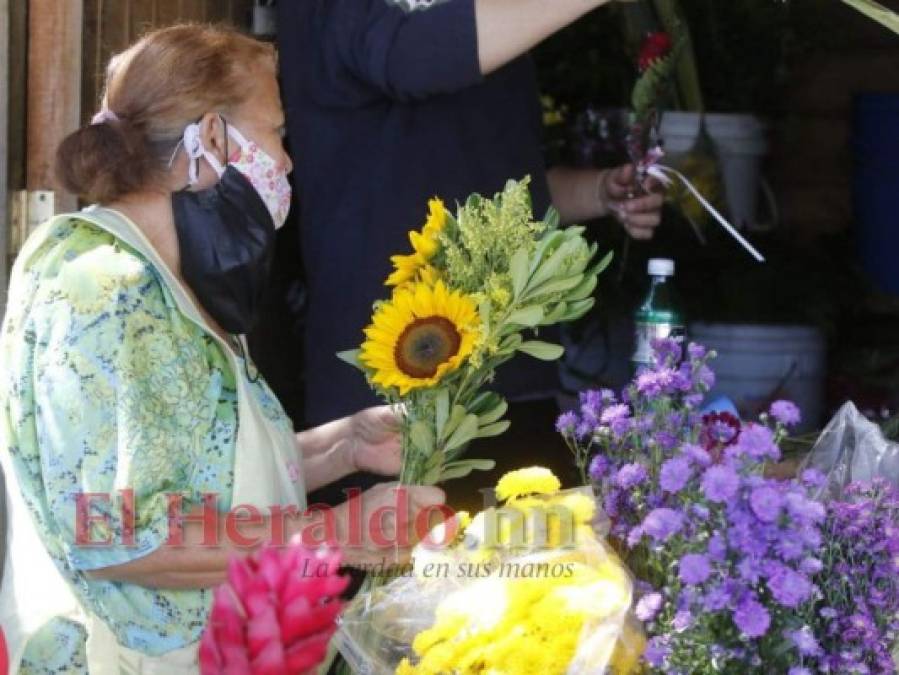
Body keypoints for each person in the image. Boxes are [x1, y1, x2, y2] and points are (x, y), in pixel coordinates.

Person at [0, 25, 443, 673]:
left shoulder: (168, 278)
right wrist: (337, 533)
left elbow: (187, 480)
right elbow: (119, 535)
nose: (286, 162)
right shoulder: (100, 285)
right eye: (274, 134)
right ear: (210, 140)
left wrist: (342, 445)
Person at [278, 0, 665, 428]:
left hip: (512, 378)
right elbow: (408, 57)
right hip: (391, 392)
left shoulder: (493, 25)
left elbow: (501, 185)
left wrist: (598, 193)